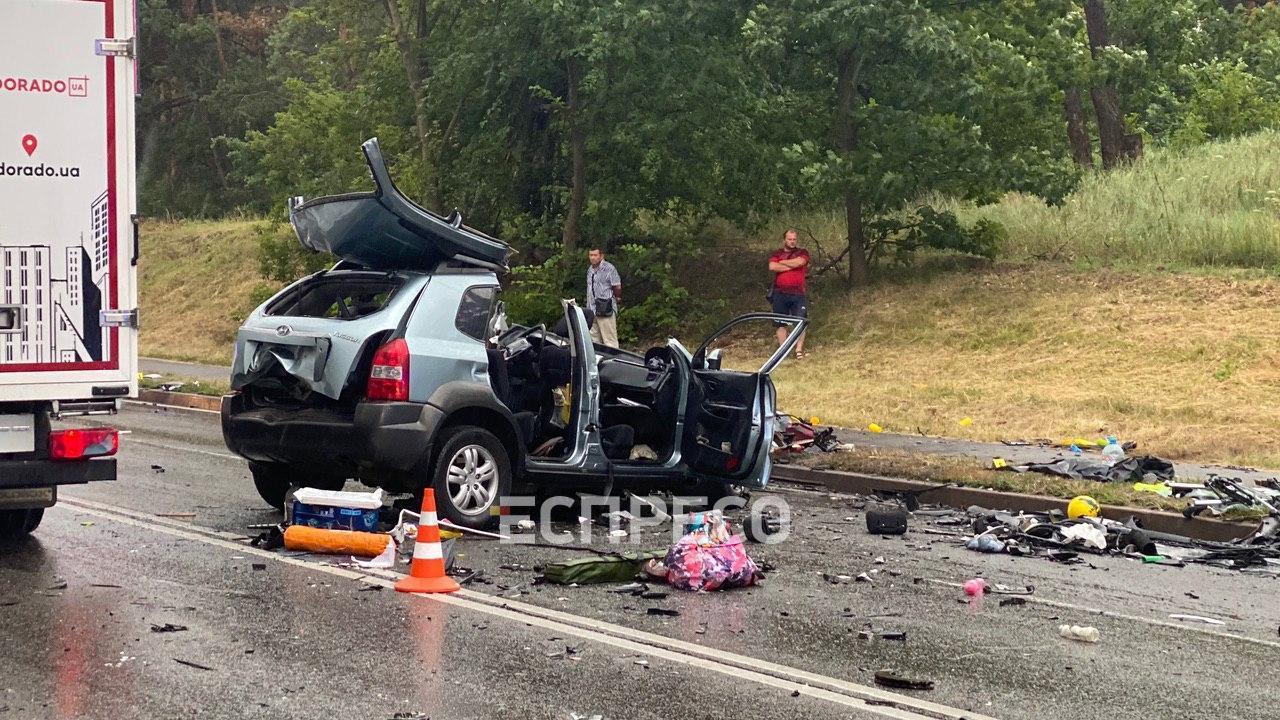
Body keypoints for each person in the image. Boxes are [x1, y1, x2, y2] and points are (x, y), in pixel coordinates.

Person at [768, 229, 809, 358]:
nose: (792, 241)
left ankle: (798, 350)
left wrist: (782, 263)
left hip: (798, 293)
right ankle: (783, 351)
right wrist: (792, 265)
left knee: (800, 321)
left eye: (794, 239)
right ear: (784, 240)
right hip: (780, 293)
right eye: (789, 239)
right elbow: (772, 267)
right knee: (781, 323)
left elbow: (800, 262)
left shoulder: (802, 252)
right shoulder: (777, 253)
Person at [586, 247, 622, 348]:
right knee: (593, 339)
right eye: (591, 255)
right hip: (592, 308)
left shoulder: (609, 268)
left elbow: (617, 286)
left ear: (601, 256)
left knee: (609, 340)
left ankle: (613, 360)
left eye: (595, 255)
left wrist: (617, 300)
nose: (592, 258)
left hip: (605, 307)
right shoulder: (590, 270)